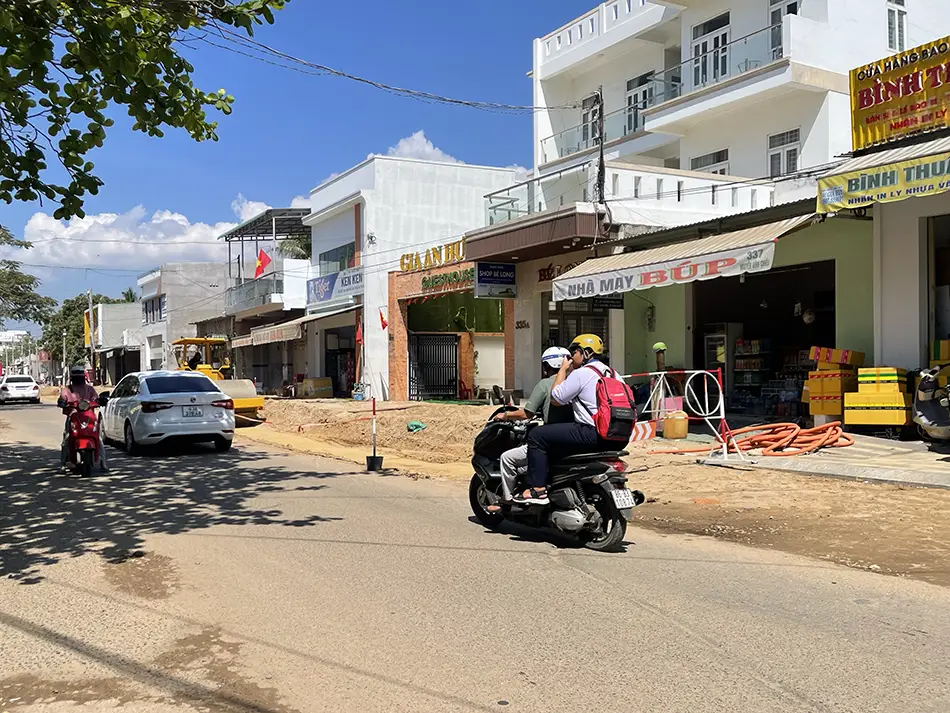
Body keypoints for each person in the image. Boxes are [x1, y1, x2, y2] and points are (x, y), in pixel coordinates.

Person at [516, 334, 615, 505]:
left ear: (586, 352)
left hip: (592, 433)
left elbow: (556, 398)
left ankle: (537, 489)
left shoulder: (582, 373)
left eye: (574, 351)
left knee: (537, 435)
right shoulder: (613, 373)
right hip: (618, 436)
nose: (571, 356)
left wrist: (563, 369)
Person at [487, 347, 573, 512]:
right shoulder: (574, 383)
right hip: (574, 438)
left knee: (507, 458)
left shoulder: (545, 384)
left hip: (551, 440)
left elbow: (527, 413)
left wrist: (505, 415)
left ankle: (507, 500)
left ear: (547, 366)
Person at [58, 365, 104, 471]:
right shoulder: (67, 390)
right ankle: (63, 463)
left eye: (80, 376)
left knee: (98, 439)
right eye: (76, 377)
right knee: (67, 439)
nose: (78, 378)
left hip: (89, 417)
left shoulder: (89, 389)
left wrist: (100, 400)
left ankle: (103, 462)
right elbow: (62, 398)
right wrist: (62, 402)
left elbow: (96, 398)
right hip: (73, 417)